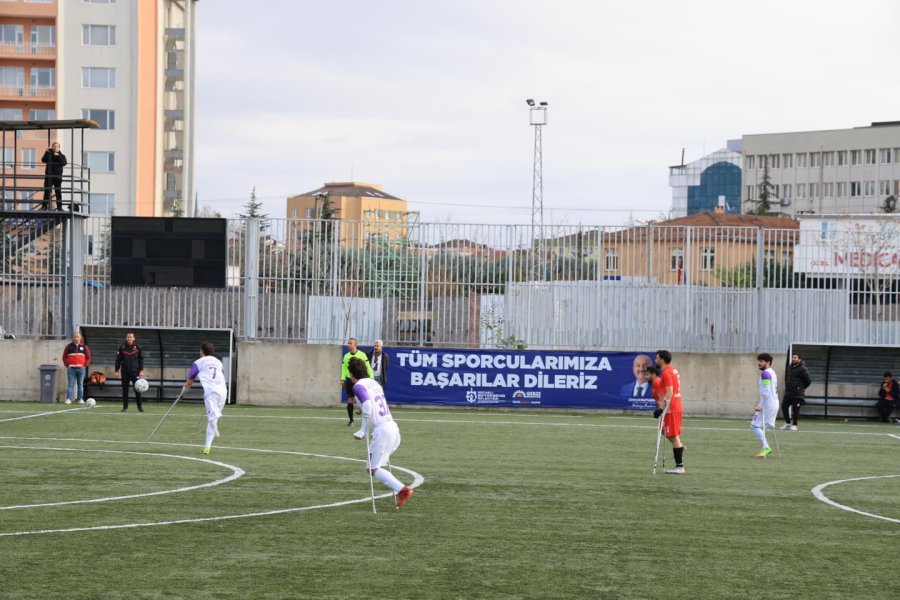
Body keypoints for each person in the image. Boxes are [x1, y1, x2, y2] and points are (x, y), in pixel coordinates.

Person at [348, 357, 414, 508]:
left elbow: (368, 405)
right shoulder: (374, 383)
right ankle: (401, 490)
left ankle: (403, 490)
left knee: (372, 468)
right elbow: (375, 404)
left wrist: (362, 430)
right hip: (392, 427)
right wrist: (362, 411)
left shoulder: (358, 386)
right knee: (376, 465)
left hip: (382, 431)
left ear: (352, 374)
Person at [181, 342, 227, 455]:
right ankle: (207, 447)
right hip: (223, 391)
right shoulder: (219, 362)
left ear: (202, 351)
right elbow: (219, 376)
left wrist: (182, 393)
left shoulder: (198, 362)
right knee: (213, 418)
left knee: (212, 418)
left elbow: (189, 381)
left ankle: (214, 426)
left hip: (211, 392)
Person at [651, 350, 685, 474]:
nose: (655, 360)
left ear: (662, 360)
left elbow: (669, 393)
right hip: (675, 406)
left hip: (672, 407)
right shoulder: (672, 370)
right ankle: (680, 448)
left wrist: (661, 409)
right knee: (669, 434)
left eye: (657, 358)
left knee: (674, 436)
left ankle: (679, 466)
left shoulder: (666, 373)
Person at [340, 337, 372, 426]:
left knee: (363, 398)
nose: (348, 345)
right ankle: (351, 420)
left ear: (355, 345)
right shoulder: (346, 356)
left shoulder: (362, 355)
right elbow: (344, 368)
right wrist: (342, 379)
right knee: (350, 399)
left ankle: (364, 413)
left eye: (350, 343)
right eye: (348, 343)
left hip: (360, 380)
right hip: (350, 380)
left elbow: (368, 366)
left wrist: (371, 377)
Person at [752, 353, 779, 458]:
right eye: (759, 361)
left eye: (761, 361)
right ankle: (766, 446)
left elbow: (766, 392)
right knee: (761, 425)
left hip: (768, 404)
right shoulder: (772, 372)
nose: (759, 363)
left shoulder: (765, 374)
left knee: (754, 425)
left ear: (767, 362)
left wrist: (760, 405)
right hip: (774, 403)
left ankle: (766, 448)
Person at [780, 353, 812, 431]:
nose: (793, 359)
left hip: (797, 394)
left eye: (795, 357)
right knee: (784, 406)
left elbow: (808, 381)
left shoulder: (802, 368)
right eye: (792, 357)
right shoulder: (790, 367)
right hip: (788, 393)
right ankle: (787, 423)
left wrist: (801, 388)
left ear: (799, 359)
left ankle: (794, 425)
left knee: (795, 410)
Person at [115, 332, 145, 412]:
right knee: (125, 390)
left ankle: (140, 407)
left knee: (138, 389)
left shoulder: (138, 348)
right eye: (128, 337)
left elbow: (141, 359)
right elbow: (118, 360)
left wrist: (141, 370)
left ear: (133, 338)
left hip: (135, 372)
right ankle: (125, 408)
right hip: (125, 372)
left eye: (131, 337)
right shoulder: (122, 348)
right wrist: (116, 370)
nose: (129, 338)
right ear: (126, 338)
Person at [62, 331, 91, 405]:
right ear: (73, 338)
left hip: (81, 369)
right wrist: (67, 365)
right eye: (75, 337)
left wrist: (85, 365)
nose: (76, 338)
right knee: (70, 384)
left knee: (80, 384)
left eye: (77, 337)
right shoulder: (68, 346)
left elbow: (88, 358)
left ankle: (80, 399)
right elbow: (64, 357)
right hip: (71, 368)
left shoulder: (84, 347)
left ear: (80, 338)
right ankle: (68, 399)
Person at [41, 142, 67, 210]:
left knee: (58, 192)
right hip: (49, 177)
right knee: (47, 191)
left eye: (57, 146)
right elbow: (43, 160)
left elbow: (64, 163)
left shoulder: (62, 156)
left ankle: (59, 207)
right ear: (52, 147)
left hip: (57, 177)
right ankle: (44, 206)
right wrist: (46, 152)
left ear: (59, 148)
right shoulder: (49, 155)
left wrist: (58, 156)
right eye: (54, 146)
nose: (55, 147)